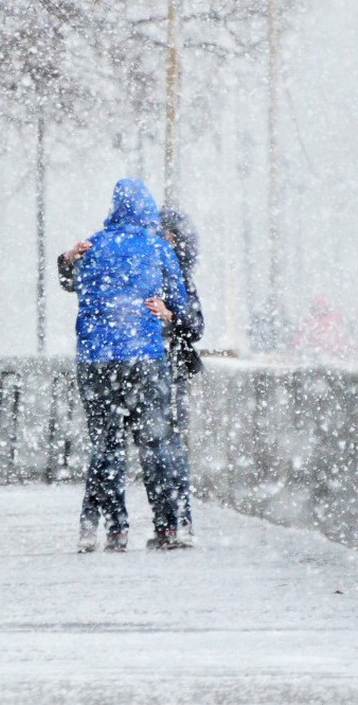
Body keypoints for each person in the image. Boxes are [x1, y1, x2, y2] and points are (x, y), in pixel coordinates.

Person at [57, 178, 189, 552]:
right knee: (155, 443)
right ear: (147, 210)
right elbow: (179, 302)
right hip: (145, 357)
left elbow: (70, 283)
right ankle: (167, 526)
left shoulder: (92, 245)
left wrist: (68, 261)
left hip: (96, 359)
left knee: (106, 444)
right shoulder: (159, 247)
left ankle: (115, 528)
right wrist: (164, 312)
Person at [149, 206, 204, 539]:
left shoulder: (174, 275)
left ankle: (173, 522)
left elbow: (194, 326)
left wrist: (170, 317)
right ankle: (176, 521)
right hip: (163, 369)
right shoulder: (174, 273)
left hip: (162, 369)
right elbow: (196, 327)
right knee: (167, 445)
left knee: (162, 446)